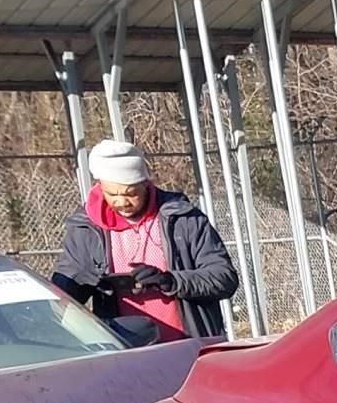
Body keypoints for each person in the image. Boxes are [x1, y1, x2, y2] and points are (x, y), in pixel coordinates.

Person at [51, 139, 240, 344]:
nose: (122, 202)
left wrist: (171, 281)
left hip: (189, 345)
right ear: (99, 186)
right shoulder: (85, 228)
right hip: (126, 353)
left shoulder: (182, 218)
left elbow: (224, 278)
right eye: (112, 194)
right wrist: (84, 282)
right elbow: (62, 295)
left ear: (145, 183)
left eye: (131, 193)